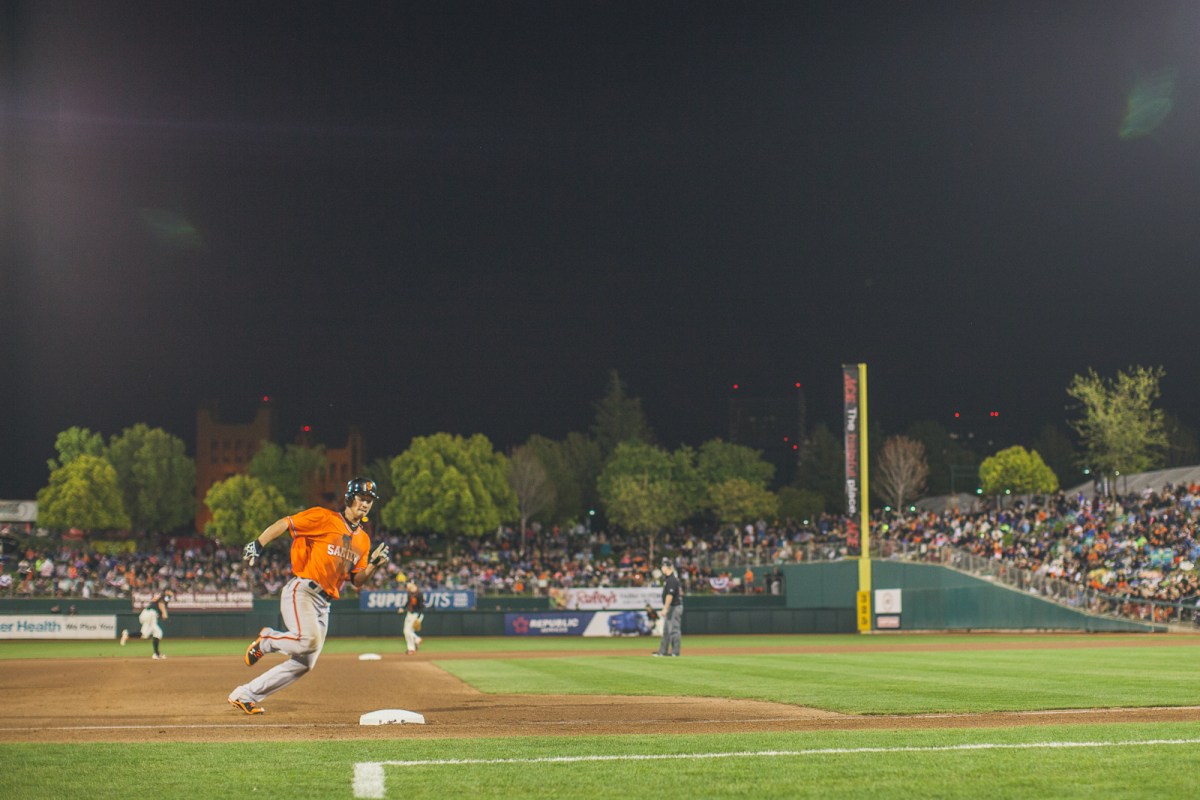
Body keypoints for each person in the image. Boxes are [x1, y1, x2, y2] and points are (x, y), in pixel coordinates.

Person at [227, 477, 390, 715]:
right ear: (349, 498)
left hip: (325, 603)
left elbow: (356, 580)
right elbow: (286, 522)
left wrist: (374, 565)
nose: (365, 504)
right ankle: (267, 640)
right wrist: (259, 543)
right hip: (303, 590)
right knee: (308, 641)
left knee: (305, 663)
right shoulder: (324, 518)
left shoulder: (363, 540)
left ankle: (245, 695)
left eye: (370, 500)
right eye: (361, 498)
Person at [124, 589, 173, 659]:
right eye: (171, 591)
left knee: (145, 635)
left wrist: (163, 614)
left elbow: (159, 604)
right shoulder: (165, 596)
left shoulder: (162, 596)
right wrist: (164, 613)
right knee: (158, 632)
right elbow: (161, 603)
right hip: (151, 614)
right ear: (167, 591)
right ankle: (156, 654)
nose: (172, 593)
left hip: (147, 614)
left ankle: (128, 634)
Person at [652, 557, 682, 657]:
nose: (661, 568)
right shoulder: (668, 579)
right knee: (666, 630)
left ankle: (675, 652)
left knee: (674, 629)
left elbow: (670, 595)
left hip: (674, 607)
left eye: (663, 566)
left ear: (667, 567)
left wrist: (665, 608)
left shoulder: (672, 580)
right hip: (671, 607)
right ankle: (663, 651)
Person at [401, 580, 425, 654]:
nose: (406, 586)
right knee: (408, 631)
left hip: (415, 614)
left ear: (412, 584)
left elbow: (421, 606)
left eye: (407, 584)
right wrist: (403, 608)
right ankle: (416, 640)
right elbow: (408, 602)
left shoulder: (419, 594)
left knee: (407, 631)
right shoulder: (409, 593)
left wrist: (419, 617)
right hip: (410, 613)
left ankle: (411, 648)